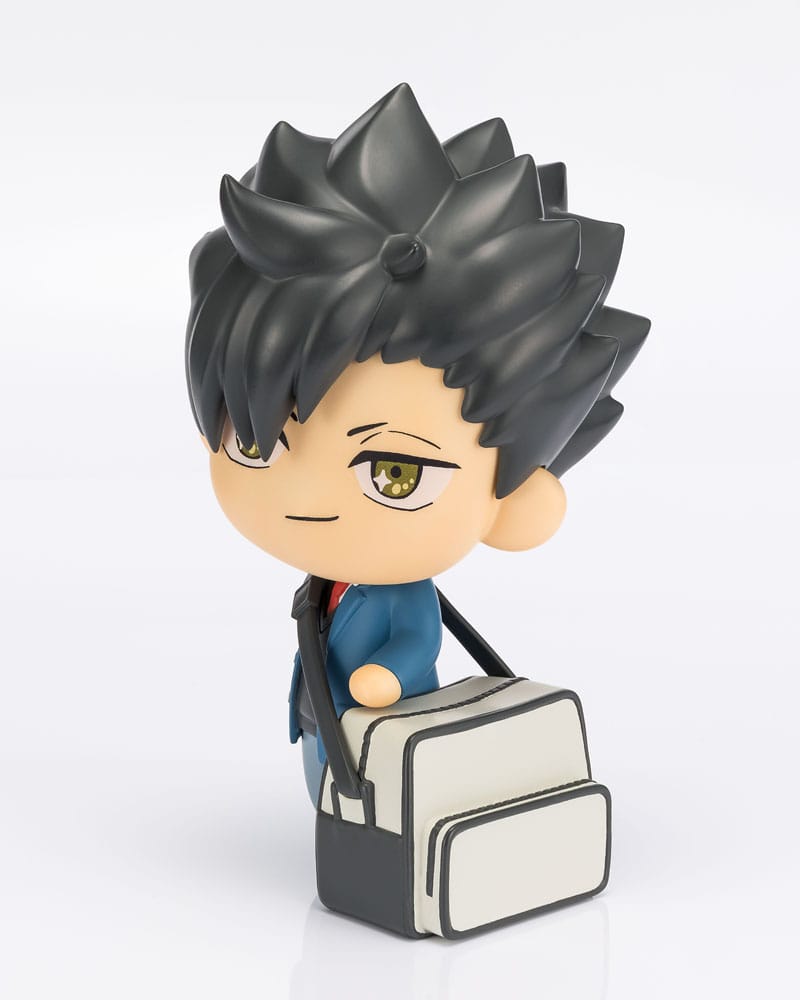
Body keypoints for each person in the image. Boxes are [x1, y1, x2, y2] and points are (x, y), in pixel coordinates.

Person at [184, 83, 649, 803]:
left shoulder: (399, 594)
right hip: (332, 729)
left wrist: (386, 676)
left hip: (393, 733)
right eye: (257, 445)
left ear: (517, 502)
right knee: (341, 805)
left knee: (382, 808)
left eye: (394, 473)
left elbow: (416, 643)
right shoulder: (330, 582)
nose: (304, 499)